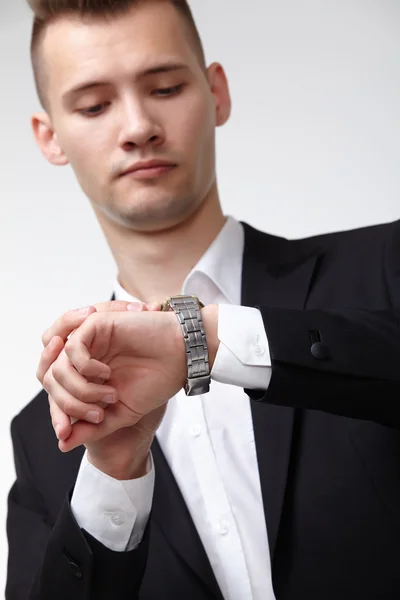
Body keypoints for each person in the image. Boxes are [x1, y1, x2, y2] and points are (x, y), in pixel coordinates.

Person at [6, 0, 400, 599]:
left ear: (217, 92)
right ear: (49, 136)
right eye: (94, 105)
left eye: (164, 87)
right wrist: (112, 473)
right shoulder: (46, 438)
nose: (137, 126)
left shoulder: (383, 269)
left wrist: (206, 341)